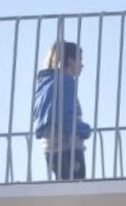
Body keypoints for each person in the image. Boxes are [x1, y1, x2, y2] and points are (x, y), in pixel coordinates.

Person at [33, 40, 91, 180]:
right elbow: (66, 118)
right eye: (80, 60)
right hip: (68, 148)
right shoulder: (66, 82)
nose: (82, 65)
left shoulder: (46, 83)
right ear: (71, 60)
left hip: (50, 150)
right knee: (79, 194)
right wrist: (85, 129)